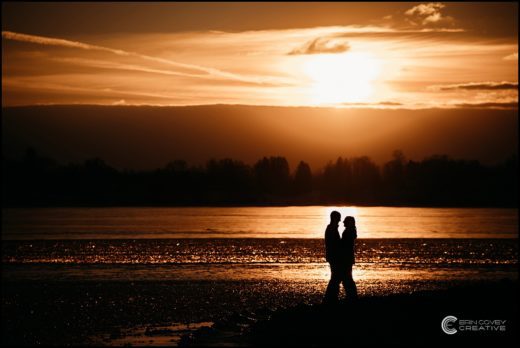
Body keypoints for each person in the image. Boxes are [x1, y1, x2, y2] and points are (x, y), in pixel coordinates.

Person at [323, 210, 343, 304]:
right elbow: (334, 244)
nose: (340, 220)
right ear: (335, 218)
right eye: (339, 218)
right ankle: (330, 297)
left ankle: (332, 297)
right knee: (335, 277)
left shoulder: (332, 228)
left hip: (333, 256)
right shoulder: (332, 229)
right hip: (334, 256)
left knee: (335, 277)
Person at [340, 216, 358, 301]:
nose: (343, 222)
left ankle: (351, 295)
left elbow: (344, 245)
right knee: (348, 277)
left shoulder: (348, 232)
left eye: (345, 221)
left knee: (347, 277)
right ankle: (351, 295)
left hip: (346, 257)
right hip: (348, 257)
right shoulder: (351, 231)